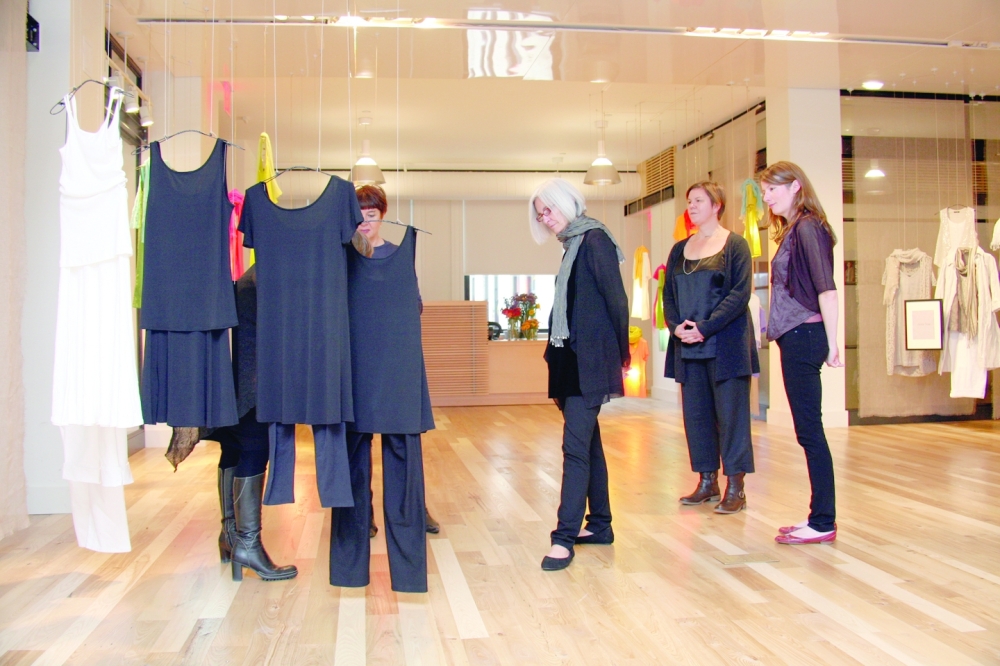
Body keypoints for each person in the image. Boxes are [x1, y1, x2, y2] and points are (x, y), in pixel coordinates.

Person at [529, 178, 630, 572]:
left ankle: (563, 537)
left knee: (575, 448)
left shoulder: (594, 240)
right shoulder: (573, 244)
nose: (546, 219)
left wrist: (620, 354)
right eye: (541, 214)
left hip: (589, 361)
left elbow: (616, 300)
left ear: (567, 205)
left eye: (549, 210)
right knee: (588, 445)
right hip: (568, 358)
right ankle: (600, 525)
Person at [761, 161, 842, 545]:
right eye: (763, 191)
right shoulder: (797, 229)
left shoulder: (808, 227)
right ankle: (818, 516)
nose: (766, 197)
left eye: (771, 190)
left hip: (805, 337)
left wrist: (835, 341)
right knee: (807, 430)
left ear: (795, 187)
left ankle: (823, 521)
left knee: (810, 430)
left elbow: (827, 288)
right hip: (797, 337)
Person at [663, 182, 757, 514]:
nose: (692, 206)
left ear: (717, 204)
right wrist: (677, 328)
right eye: (689, 201)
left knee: (731, 417)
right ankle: (707, 482)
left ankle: (736, 486)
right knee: (697, 416)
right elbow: (669, 297)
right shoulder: (679, 250)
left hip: (725, 344)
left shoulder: (736, 246)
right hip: (688, 347)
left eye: (699, 200)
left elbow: (738, 295)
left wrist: (705, 328)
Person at [354, 184, 440, 537]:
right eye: (358, 216)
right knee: (356, 443)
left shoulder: (399, 253)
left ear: (382, 216)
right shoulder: (343, 254)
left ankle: (413, 510)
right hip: (357, 359)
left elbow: (414, 302)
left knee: (403, 440)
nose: (365, 223)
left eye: (371, 216)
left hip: (394, 358)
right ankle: (361, 516)